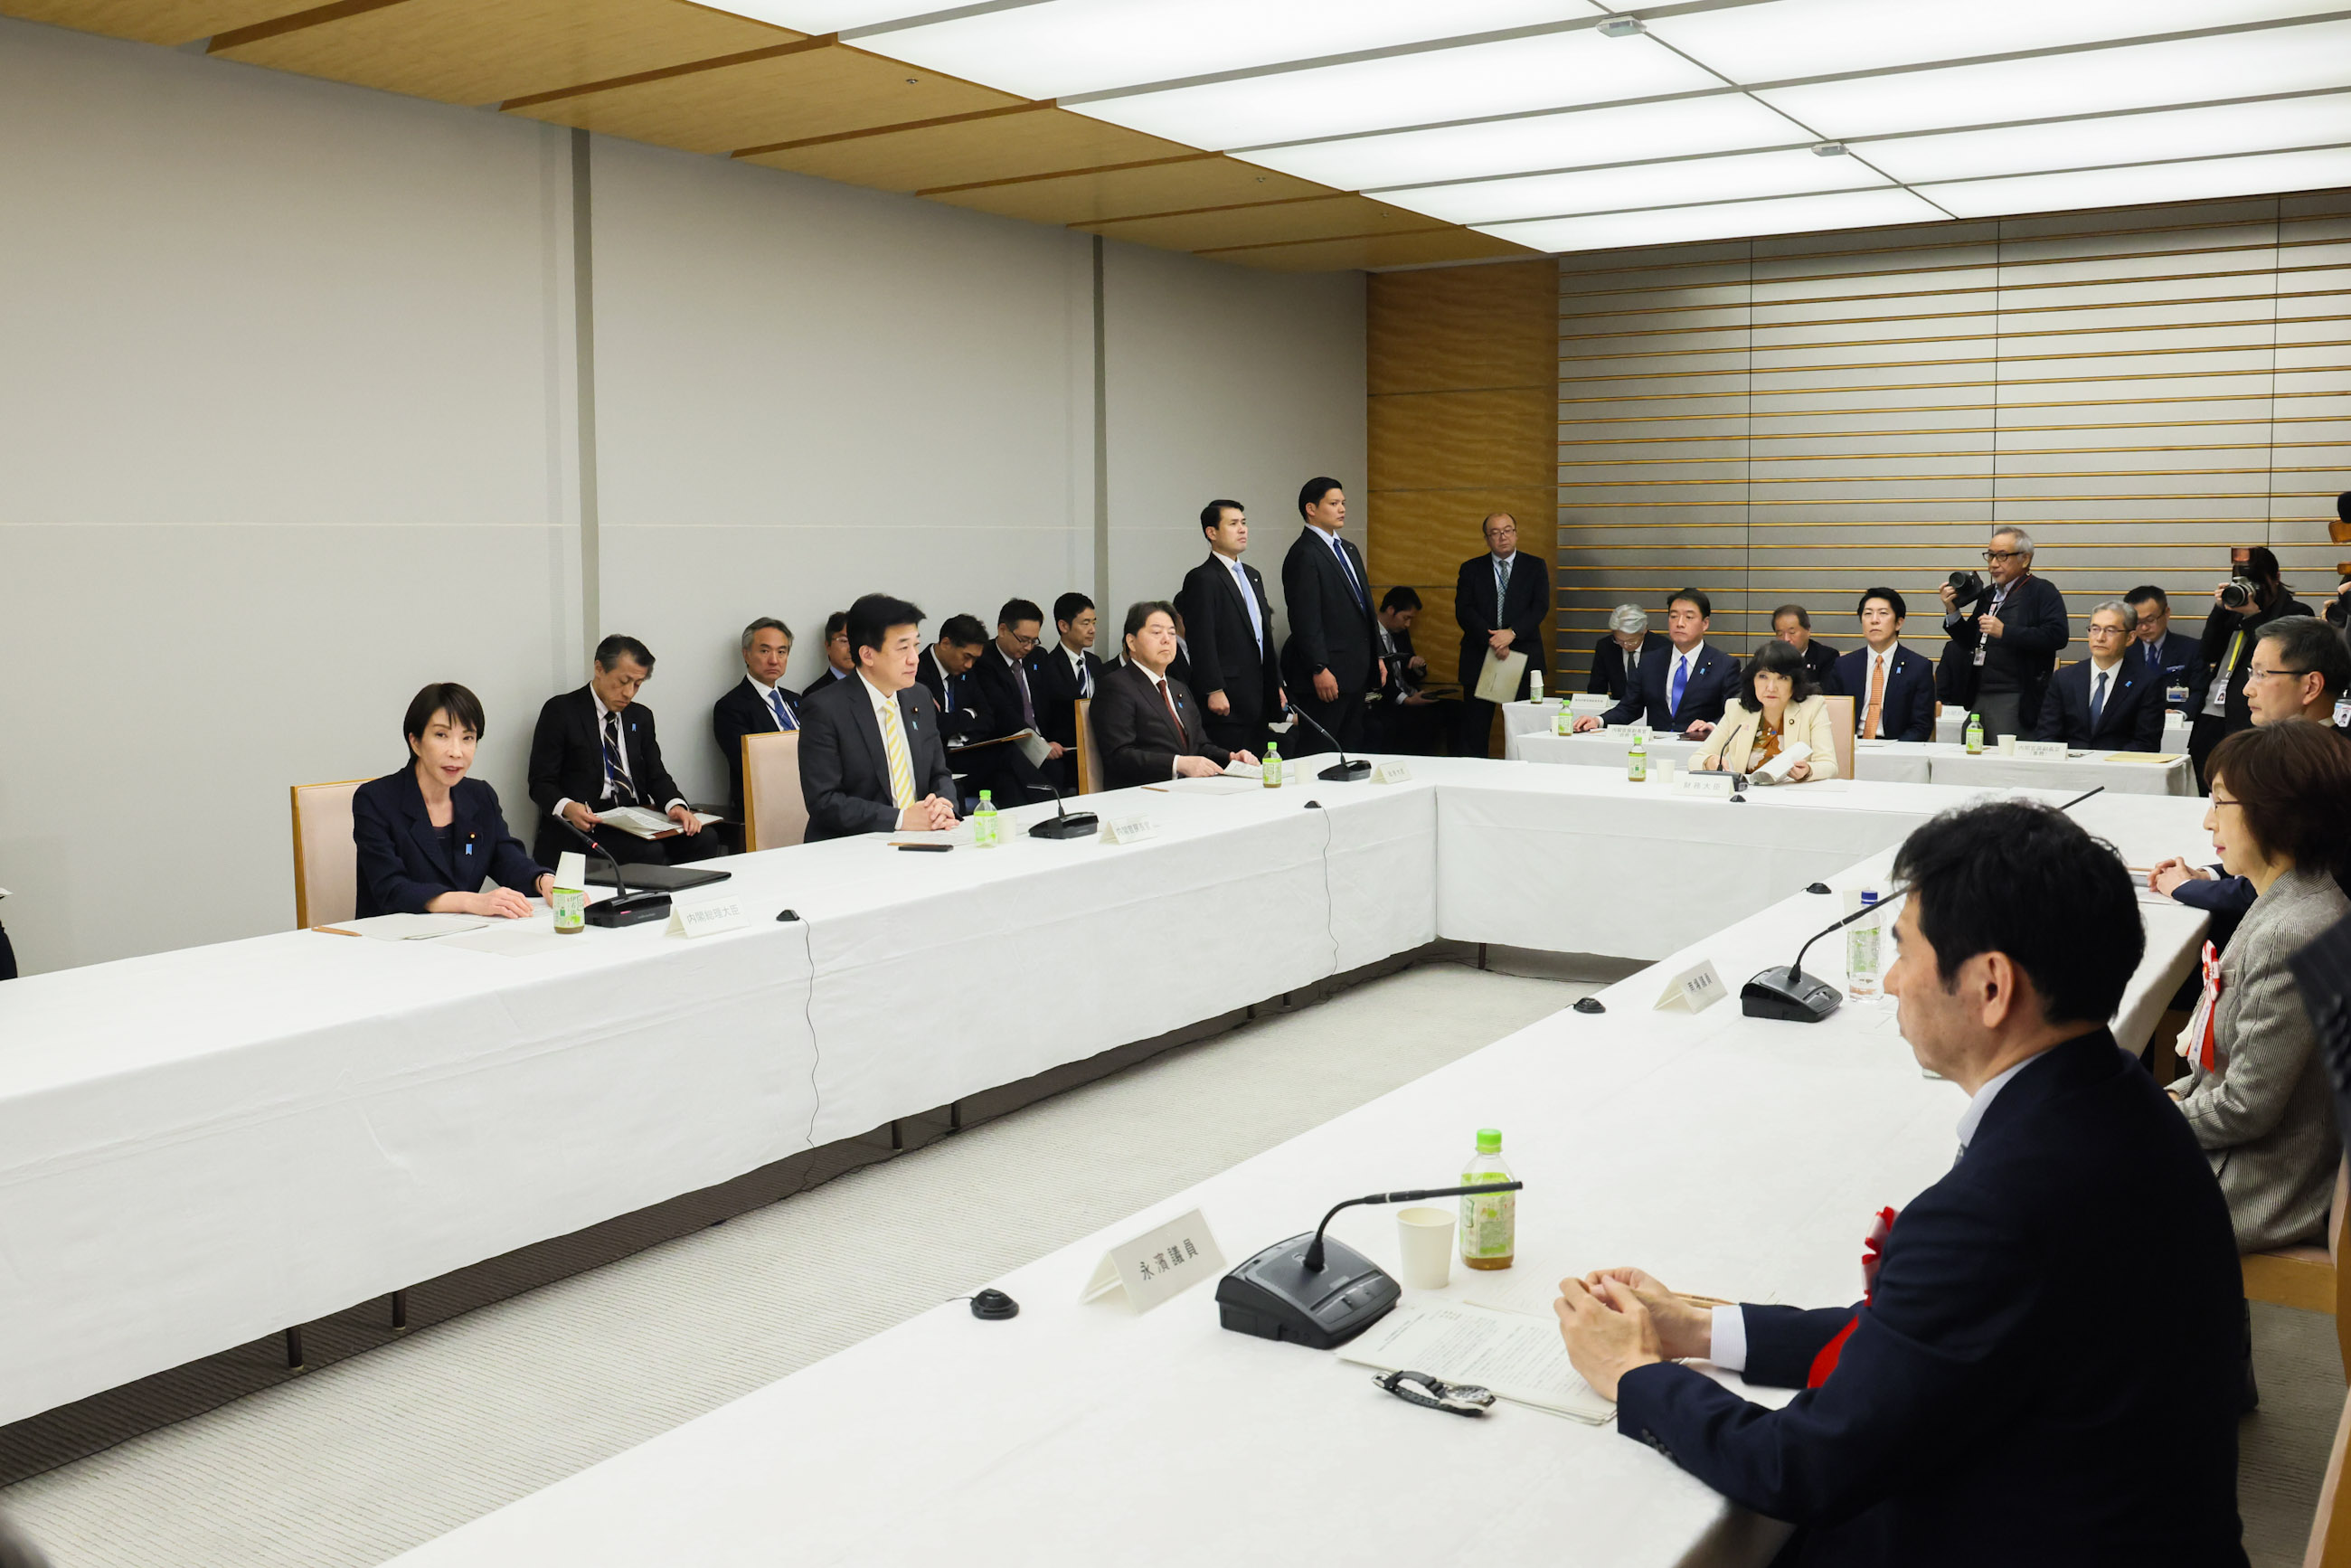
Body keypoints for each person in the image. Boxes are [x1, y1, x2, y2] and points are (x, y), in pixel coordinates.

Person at [1553, 798, 2247, 1567]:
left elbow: (1805, 1466)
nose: (1888, 983)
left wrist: (1633, 1374)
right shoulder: (2114, 1098)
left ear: (1990, 986)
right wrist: (1698, 1328)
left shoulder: (2005, 1204)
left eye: (1903, 951)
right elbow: (1926, 1338)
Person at [2167, 723, 2351, 1264]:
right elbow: (2226, 1071)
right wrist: (2174, 1097)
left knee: (2056, 1196)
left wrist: (2141, 1120)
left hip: (2255, 1186)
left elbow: (2247, 1108)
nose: (2208, 821)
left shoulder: (2291, 930)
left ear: (2278, 810)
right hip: (2257, 1153)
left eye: (2221, 803)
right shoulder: (2300, 898)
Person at [2150, 617, 2351, 949]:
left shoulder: (2327, 767)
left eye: (2262, 673)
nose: (2247, 688)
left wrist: (2186, 887)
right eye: (2250, 673)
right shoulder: (2294, 753)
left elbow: (2295, 880)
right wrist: (2211, 874)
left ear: (2311, 686)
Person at [354, 683, 552, 919]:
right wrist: (471, 901)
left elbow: (506, 858)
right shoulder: (375, 800)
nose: (456, 752)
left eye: (468, 738)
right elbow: (392, 889)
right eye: (441, 735)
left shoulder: (480, 796)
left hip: (461, 937)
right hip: (392, 941)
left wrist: (544, 880)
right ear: (415, 742)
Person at [527, 636, 718, 869]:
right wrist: (568, 807)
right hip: (589, 822)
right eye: (623, 681)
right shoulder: (562, 711)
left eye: (637, 684)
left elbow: (655, 774)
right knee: (649, 853)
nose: (629, 693)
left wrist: (675, 805)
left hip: (635, 817)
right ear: (599, 668)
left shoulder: (640, 717)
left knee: (704, 839)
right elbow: (541, 783)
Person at [797, 594, 958, 839]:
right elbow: (824, 801)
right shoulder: (824, 709)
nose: (914, 658)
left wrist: (943, 805)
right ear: (867, 655)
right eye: (903, 648)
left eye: (916, 645)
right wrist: (901, 819)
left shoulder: (920, 697)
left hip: (924, 837)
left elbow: (939, 773)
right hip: (854, 846)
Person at [1091, 601, 1253, 788]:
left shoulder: (1178, 688)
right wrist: (1178, 764)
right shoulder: (1116, 686)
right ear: (1131, 642)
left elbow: (1199, 746)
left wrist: (1230, 757)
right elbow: (1119, 755)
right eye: (1157, 632)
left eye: (1171, 632)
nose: (1167, 639)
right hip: (1144, 794)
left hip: (1188, 789)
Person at [2190, 545, 2312, 788]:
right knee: (2205, 787)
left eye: (2258, 582)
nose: (2252, 590)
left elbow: (2277, 658)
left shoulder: (2297, 613)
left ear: (2276, 578)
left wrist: (2255, 617)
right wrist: (2219, 611)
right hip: (2212, 714)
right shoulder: (2233, 608)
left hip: (2252, 716)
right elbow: (2207, 653)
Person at [1937, 525, 2069, 742]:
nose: (1993, 564)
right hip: (1980, 692)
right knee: (1972, 753)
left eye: (2002, 556)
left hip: (2017, 695)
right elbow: (1970, 641)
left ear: (2025, 559)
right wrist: (1953, 611)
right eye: (1990, 556)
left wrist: (2005, 632)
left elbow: (2057, 636)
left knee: (2006, 759)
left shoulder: (2042, 591)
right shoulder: (1988, 594)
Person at [1280, 477, 1383, 754]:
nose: (1342, 509)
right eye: (1334, 503)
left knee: (1351, 745)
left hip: (1357, 669)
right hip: (1329, 673)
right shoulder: (1304, 553)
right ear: (1311, 509)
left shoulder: (1348, 548)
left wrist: (1379, 656)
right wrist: (1319, 667)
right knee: (1321, 749)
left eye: (1343, 503)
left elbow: (1366, 608)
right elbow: (1305, 618)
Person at [1177, 501, 1283, 758]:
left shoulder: (1252, 574)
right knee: (1234, 768)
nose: (1242, 530)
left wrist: (1276, 682)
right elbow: (1201, 638)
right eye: (1233, 524)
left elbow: (1262, 635)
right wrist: (1213, 689)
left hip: (1258, 693)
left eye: (1244, 523)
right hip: (1228, 696)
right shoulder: (1202, 577)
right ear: (1211, 532)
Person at [1575, 588, 1734, 738]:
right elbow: (1630, 707)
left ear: (1705, 623)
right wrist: (1598, 721)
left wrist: (1712, 726)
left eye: (1689, 617)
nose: (1680, 623)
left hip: (1700, 748)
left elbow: (1735, 712)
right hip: (1656, 748)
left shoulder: (1724, 665)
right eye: (1673, 616)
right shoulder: (1651, 662)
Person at [1453, 511, 1550, 757]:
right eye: (1495, 533)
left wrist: (1512, 633)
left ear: (1516, 534)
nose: (1502, 537)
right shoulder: (1471, 569)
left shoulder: (1535, 566)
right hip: (1481, 656)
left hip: (1522, 655)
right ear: (1487, 539)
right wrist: (1495, 639)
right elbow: (1464, 611)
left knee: (1524, 729)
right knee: (1475, 730)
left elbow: (1540, 607)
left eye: (1507, 530)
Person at [1694, 642, 1840, 780]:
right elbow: (1696, 759)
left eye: (1782, 678)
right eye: (1763, 676)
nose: (1771, 687)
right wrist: (1709, 762)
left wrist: (1808, 770)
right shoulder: (1736, 709)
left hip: (1792, 798)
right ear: (1753, 680)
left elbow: (1829, 765)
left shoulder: (1812, 707)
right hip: (1746, 799)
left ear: (1794, 683)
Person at [2033, 600, 2166, 751]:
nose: (2100, 637)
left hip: (2120, 769)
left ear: (2130, 638)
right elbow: (2047, 734)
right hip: (2069, 768)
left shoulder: (2146, 683)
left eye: (2110, 630)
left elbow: (2146, 743)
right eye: (2095, 629)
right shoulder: (2064, 678)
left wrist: (2105, 766)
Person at [712, 617, 800, 833]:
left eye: (781, 652)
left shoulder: (798, 701)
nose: (774, 660)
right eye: (764, 651)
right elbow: (749, 764)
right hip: (766, 802)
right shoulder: (731, 706)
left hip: (812, 795)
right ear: (746, 654)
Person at [1831, 587, 1934, 741]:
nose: (1874, 620)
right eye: (1868, 614)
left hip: (1896, 747)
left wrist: (1894, 752)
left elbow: (1921, 725)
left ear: (1899, 623)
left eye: (1883, 613)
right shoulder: (1844, 665)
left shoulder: (1918, 667)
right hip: (1852, 745)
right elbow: (1832, 717)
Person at [1368, 587, 1451, 754]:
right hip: (1387, 700)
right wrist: (1407, 700)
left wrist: (1416, 667)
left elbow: (1408, 668)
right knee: (1417, 722)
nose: (1408, 624)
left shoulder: (1400, 633)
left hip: (1409, 692)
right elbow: (1376, 677)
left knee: (1454, 711)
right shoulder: (1370, 634)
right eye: (1406, 618)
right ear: (1391, 610)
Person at [1031, 591, 1108, 770]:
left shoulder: (1095, 663)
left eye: (1094, 622)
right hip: (1065, 756)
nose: (1092, 630)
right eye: (1085, 623)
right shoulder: (1047, 666)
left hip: (1098, 752)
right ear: (1064, 626)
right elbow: (1043, 714)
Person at [914, 614, 993, 745]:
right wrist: (970, 714)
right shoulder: (916, 672)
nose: (970, 665)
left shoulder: (966, 672)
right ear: (946, 644)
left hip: (966, 750)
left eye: (975, 659)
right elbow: (932, 725)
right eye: (967, 656)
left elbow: (988, 718)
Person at [2123, 584, 2203, 706]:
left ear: (2167, 613)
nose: (2144, 627)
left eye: (2150, 620)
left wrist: (2180, 713)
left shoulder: (2192, 649)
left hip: (2176, 721)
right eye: (2137, 622)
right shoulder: (2123, 651)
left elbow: (2200, 691)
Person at [1588, 603, 1659, 702]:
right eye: (1620, 640)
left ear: (1644, 630)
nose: (1625, 645)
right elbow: (1596, 688)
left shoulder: (1661, 648)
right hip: (1619, 710)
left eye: (1631, 641)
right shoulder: (1605, 646)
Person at [1771, 603, 1839, 687]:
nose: (1786, 639)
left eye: (1792, 632)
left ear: (1808, 630)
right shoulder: (1768, 657)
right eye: (1780, 634)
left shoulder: (1827, 656)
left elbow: (1825, 692)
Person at [817, 611, 855, 685]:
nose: (851, 649)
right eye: (844, 641)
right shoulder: (815, 693)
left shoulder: (877, 686)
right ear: (828, 646)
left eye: (856, 641)